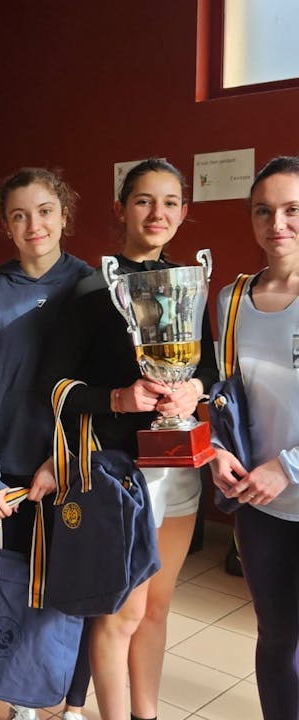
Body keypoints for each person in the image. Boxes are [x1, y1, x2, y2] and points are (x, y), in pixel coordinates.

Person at [39, 158, 217, 720]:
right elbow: (55, 387)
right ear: (120, 210)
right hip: (119, 473)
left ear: (184, 213)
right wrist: (118, 398)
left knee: (158, 608)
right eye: (144, 200)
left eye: (170, 202)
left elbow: (209, 371)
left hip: (179, 463)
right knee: (122, 613)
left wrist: (192, 391)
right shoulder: (91, 291)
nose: (157, 213)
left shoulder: (189, 285)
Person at [0, 167, 93, 720]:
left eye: (44, 211)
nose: (34, 224)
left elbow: (101, 391)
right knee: (21, 591)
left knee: (78, 591)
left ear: (64, 215)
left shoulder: (92, 288)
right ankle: (23, 702)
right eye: (19, 215)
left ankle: (75, 705)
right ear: (6, 226)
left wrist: (64, 461)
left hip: (77, 472)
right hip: (9, 478)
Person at [210, 155, 299, 719]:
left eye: (293, 210)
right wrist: (217, 452)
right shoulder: (232, 300)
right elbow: (225, 398)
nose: (277, 224)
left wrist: (287, 466)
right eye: (264, 211)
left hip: (284, 480)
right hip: (259, 507)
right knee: (276, 636)